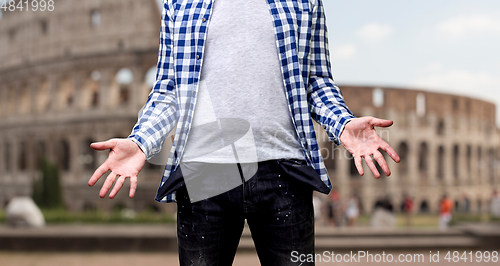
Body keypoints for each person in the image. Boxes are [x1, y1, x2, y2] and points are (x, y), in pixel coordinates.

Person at [88, 0, 400, 265]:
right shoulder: (180, 2)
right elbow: (170, 89)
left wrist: (342, 123)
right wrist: (141, 141)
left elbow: (317, 80)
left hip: (284, 170)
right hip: (205, 172)